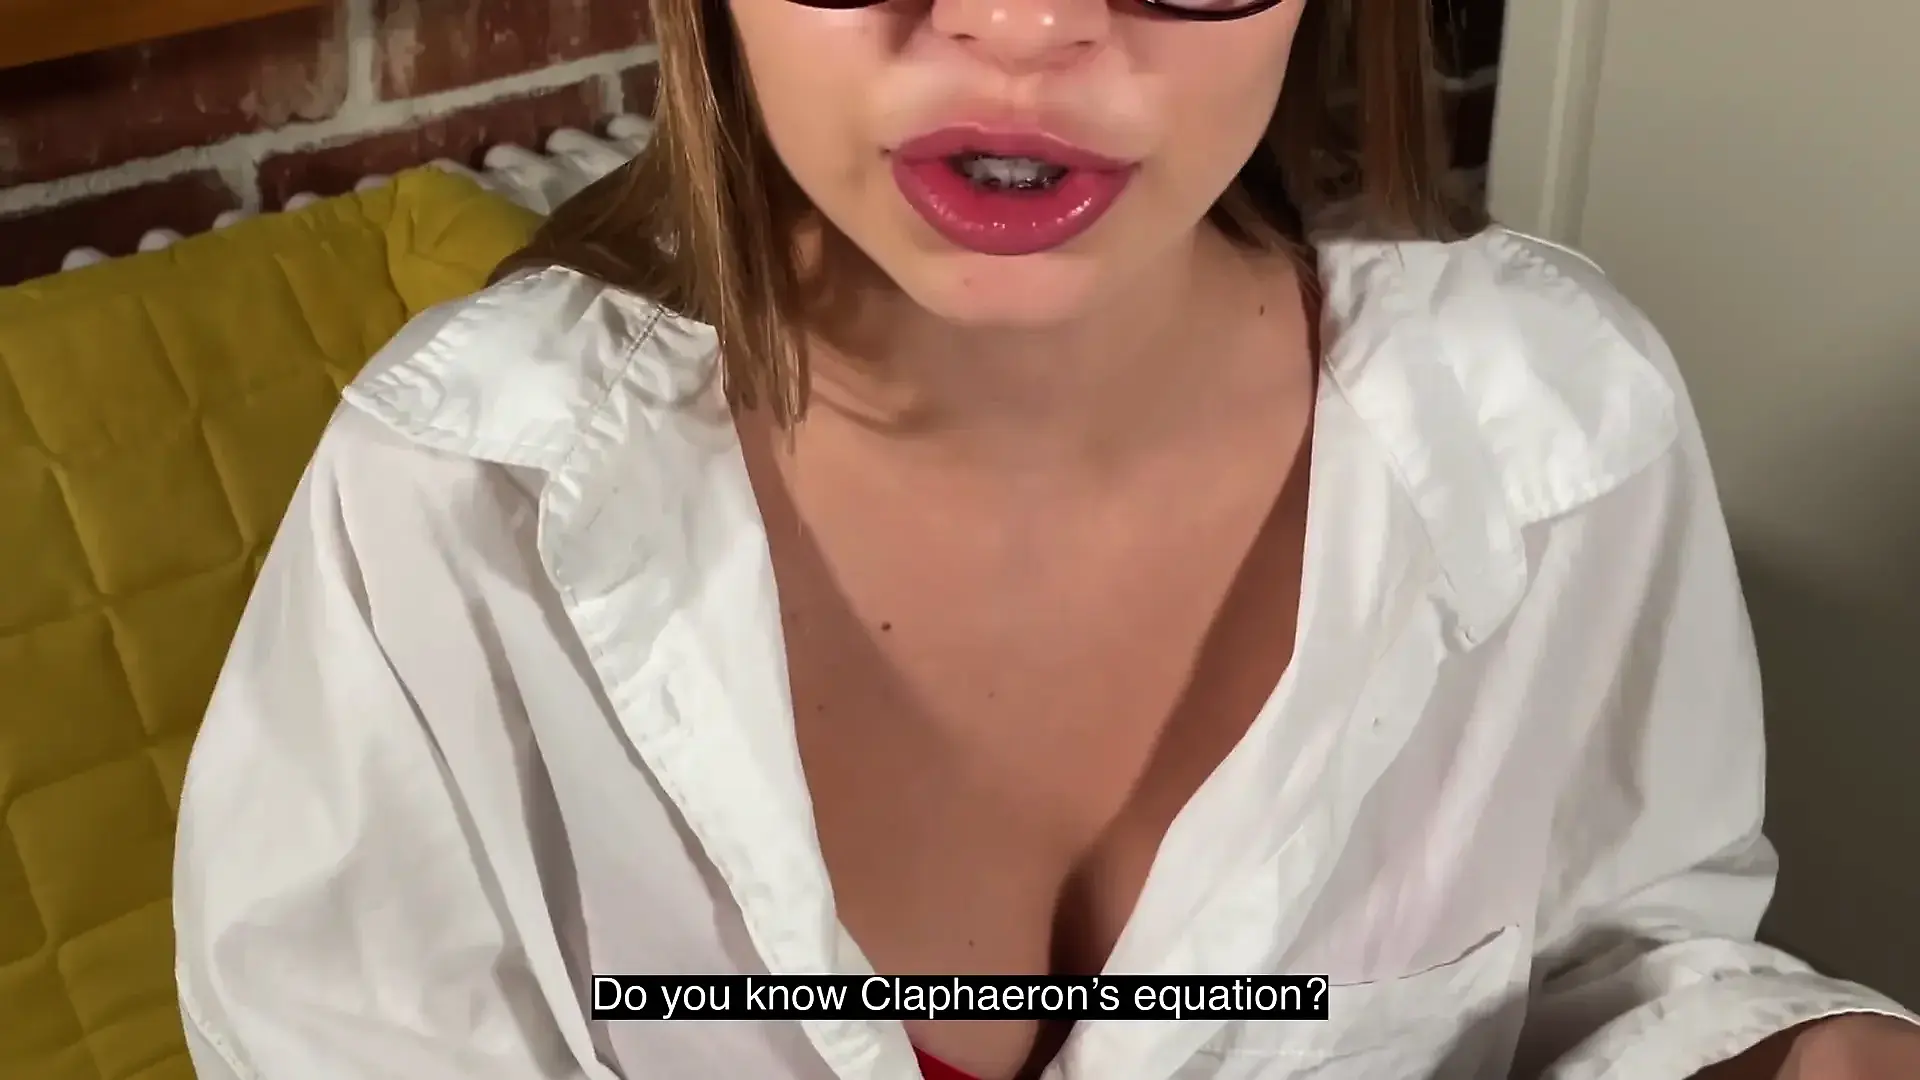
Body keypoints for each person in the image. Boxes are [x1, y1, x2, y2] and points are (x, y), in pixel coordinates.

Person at [170, 0, 1919, 1076]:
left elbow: (1618, 959)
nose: (1020, 26)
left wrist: (1772, 1056)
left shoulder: (1553, 437)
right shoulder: (463, 508)